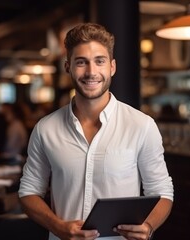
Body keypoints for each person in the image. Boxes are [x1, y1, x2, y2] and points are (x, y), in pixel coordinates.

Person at [19, 23, 173, 240]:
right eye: (81, 62)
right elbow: (28, 192)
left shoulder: (142, 125)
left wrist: (148, 226)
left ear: (112, 67)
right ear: (68, 67)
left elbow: (162, 191)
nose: (91, 72)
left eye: (99, 61)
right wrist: (57, 226)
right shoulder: (46, 129)